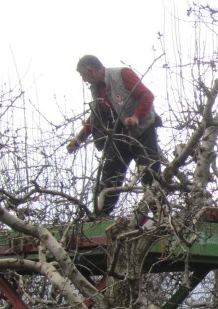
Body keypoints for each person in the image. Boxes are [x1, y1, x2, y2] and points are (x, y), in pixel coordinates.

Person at [68, 55, 162, 218]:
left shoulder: (122, 75)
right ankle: (100, 215)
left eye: (84, 77)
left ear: (90, 71)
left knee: (149, 173)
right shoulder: (98, 89)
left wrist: (136, 117)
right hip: (121, 134)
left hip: (143, 130)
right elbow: (95, 117)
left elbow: (147, 95)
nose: (85, 81)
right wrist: (78, 139)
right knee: (110, 172)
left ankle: (161, 215)